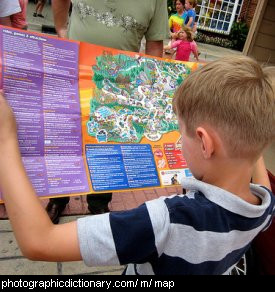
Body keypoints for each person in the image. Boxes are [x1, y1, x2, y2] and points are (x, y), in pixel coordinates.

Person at [0, 55, 274, 275]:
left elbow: (39, 241)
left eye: (181, 131)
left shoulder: (166, 221)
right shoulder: (261, 206)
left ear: (204, 143)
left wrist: (5, 140)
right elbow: (255, 160)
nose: (179, 139)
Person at [45, 0, 170, 224]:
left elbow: (154, 44)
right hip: (75, 67)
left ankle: (99, 203)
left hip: (119, 80)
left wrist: (149, 87)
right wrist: (61, 27)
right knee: (68, 137)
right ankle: (58, 198)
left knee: (108, 140)